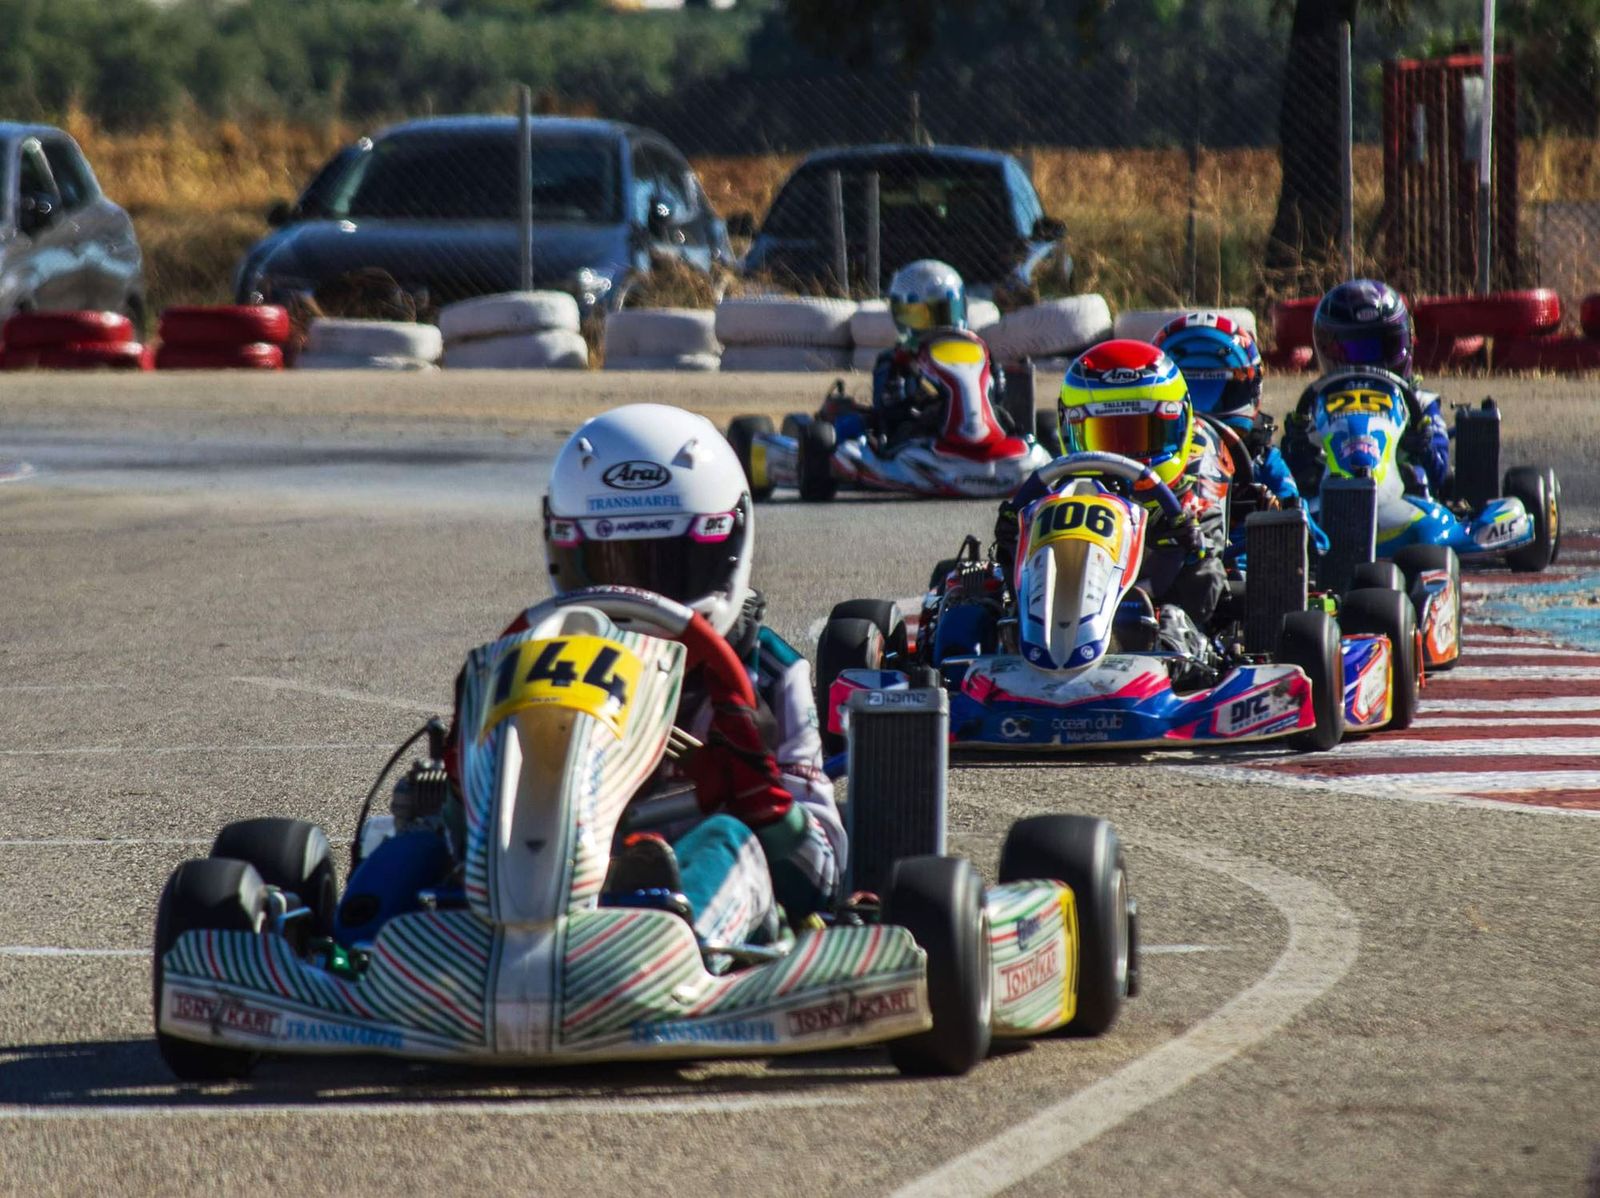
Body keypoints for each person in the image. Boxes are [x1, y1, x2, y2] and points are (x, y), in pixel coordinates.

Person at [450, 404, 843, 950]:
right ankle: (372, 948)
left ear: (725, 545)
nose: (637, 596)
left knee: (727, 842)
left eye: (668, 568)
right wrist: (461, 785)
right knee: (412, 852)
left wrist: (757, 798)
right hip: (550, 870)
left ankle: (663, 940)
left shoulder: (769, 675)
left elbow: (824, 875)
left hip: (695, 916)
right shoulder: (539, 656)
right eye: (611, 567)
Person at [994, 340, 1230, 657]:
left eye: (1141, 436)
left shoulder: (1194, 494)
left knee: (1190, 598)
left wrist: (1181, 545)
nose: (1121, 456)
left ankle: (1171, 650)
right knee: (969, 603)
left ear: (1178, 425)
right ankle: (1028, 637)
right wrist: (1014, 539)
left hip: (1157, 618)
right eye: (1105, 437)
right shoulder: (1061, 490)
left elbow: (1206, 588)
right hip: (1070, 601)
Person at [1282, 279, 1451, 499]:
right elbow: (1290, 476)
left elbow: (1438, 472)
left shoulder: (1419, 403)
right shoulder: (1316, 405)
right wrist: (1296, 445)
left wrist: (1422, 446)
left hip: (1404, 505)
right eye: (1352, 351)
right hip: (1330, 506)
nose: (1365, 365)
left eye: (1379, 349)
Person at [865, 258, 1009, 447]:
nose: (935, 327)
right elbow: (887, 408)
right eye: (919, 317)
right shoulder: (896, 361)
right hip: (917, 434)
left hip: (984, 430)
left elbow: (999, 395)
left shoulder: (980, 353)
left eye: (941, 314)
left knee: (1039, 427)